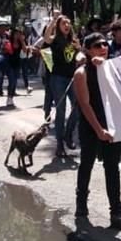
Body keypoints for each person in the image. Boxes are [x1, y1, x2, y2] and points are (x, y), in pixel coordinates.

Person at [73, 32, 121, 230]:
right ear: (88, 50)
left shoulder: (112, 69)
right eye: (97, 45)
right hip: (91, 126)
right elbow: (85, 104)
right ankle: (81, 204)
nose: (103, 48)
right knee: (87, 164)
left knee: (112, 168)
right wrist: (99, 130)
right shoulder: (81, 73)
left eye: (105, 44)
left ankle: (117, 212)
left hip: (112, 125)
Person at [44, 14, 80, 157]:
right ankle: (59, 144)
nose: (67, 25)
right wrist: (53, 21)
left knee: (78, 107)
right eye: (64, 23)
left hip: (72, 78)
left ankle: (68, 134)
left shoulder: (73, 41)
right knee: (61, 111)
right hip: (58, 78)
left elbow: (79, 55)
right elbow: (46, 38)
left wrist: (80, 50)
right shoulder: (54, 40)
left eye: (69, 23)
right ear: (58, 26)